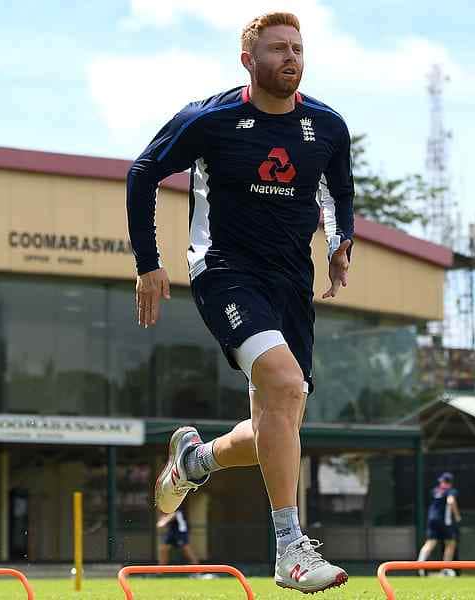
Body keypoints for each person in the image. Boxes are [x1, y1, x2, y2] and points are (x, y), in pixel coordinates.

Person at [127, 11, 354, 594]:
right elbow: (144, 170)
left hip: (289, 281)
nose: (290, 58)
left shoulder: (326, 126)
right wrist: (149, 264)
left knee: (279, 420)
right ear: (248, 60)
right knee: (282, 384)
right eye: (277, 48)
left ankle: (194, 461)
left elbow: (338, 190)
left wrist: (340, 242)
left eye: (297, 48)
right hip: (224, 271)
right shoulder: (212, 119)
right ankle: (289, 549)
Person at [415, 472, 461, 576]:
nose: (441, 483)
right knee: (450, 543)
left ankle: (419, 565)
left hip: (431, 519)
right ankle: (446, 568)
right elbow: (451, 501)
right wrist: (457, 515)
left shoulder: (435, 491)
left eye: (443, 482)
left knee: (430, 543)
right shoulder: (451, 491)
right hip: (444, 521)